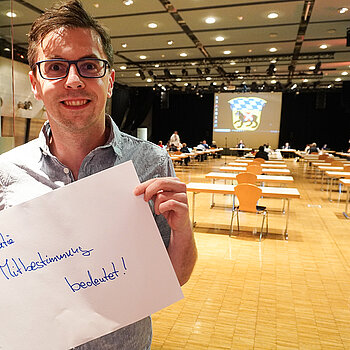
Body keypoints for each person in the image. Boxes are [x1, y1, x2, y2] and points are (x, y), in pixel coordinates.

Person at [0, 1, 197, 349]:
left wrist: (183, 232)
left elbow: (173, 277)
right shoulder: (6, 173)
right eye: (56, 67)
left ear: (109, 80)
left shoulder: (151, 162)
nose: (74, 81)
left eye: (89, 65)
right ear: (35, 82)